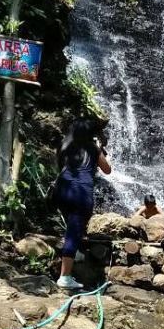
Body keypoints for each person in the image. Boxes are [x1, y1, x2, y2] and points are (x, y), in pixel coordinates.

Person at [52, 118, 111, 289]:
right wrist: (100, 149)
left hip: (61, 189)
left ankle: (74, 252)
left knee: (70, 222)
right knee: (74, 231)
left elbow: (60, 164)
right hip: (81, 191)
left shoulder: (66, 145)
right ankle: (65, 277)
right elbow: (107, 169)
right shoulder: (92, 148)